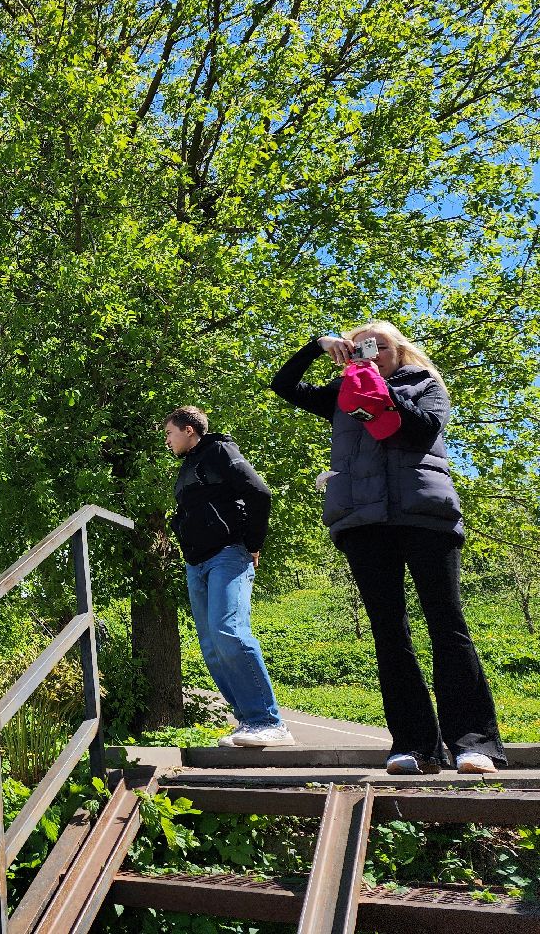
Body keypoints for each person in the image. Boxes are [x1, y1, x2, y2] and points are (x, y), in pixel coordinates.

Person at [271, 322, 506, 774]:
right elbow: (285, 386)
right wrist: (318, 346)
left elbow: (422, 430)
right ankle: (415, 746)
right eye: (360, 346)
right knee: (389, 633)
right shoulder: (344, 393)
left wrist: (377, 388)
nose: (370, 353)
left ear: (399, 349)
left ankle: (474, 744)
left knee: (447, 624)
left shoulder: (426, 385)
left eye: (377, 345)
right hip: (364, 523)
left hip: (425, 517)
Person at [164, 406, 293, 748]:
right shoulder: (188, 466)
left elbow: (259, 492)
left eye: (170, 433)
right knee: (211, 646)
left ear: (189, 430)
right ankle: (249, 721)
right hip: (196, 563)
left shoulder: (220, 450)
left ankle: (268, 721)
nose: (167, 441)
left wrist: (252, 544)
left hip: (226, 555)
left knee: (229, 631)